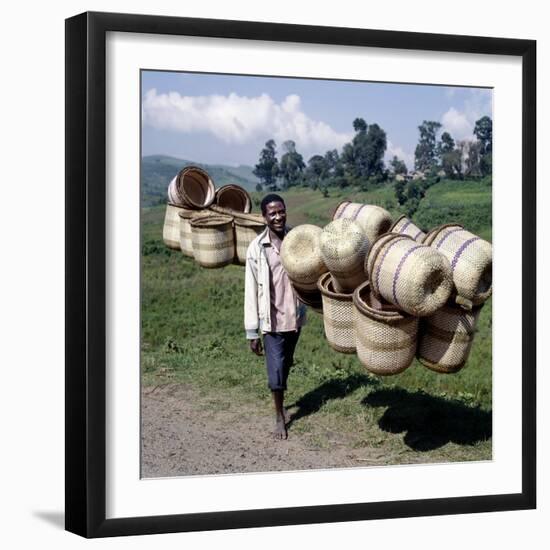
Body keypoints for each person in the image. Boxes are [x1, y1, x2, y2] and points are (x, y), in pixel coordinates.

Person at [244, 194, 306, 440]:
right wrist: (251, 331)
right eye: (272, 213)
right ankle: (279, 415)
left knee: (286, 362)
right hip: (271, 319)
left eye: (281, 211)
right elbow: (250, 290)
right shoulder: (257, 248)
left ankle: (280, 390)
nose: (278, 216)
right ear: (264, 217)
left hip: (295, 317)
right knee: (276, 370)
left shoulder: (296, 240)